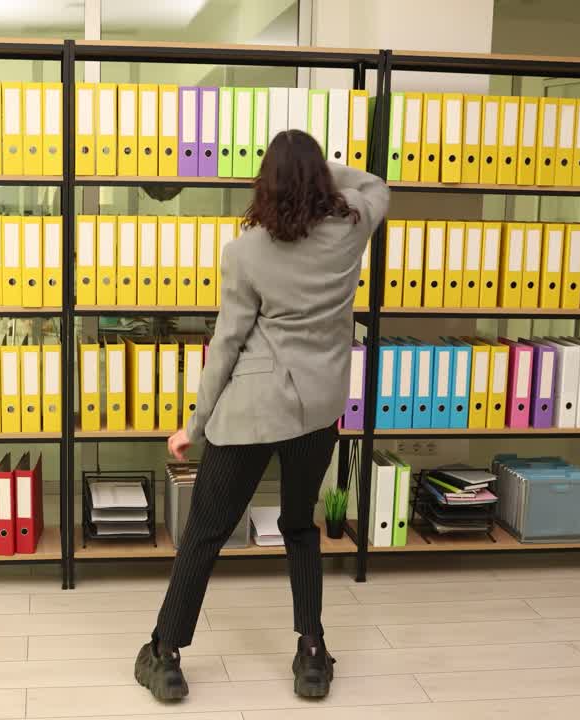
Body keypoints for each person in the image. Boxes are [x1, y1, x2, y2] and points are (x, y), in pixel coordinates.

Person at [135, 130, 389, 701]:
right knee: (300, 526)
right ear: (322, 181)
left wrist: (194, 425)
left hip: (253, 409)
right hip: (318, 411)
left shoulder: (245, 252)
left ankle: (166, 656)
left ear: (264, 186)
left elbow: (226, 344)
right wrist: (317, 172)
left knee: (205, 533)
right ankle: (312, 655)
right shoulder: (351, 230)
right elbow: (375, 183)